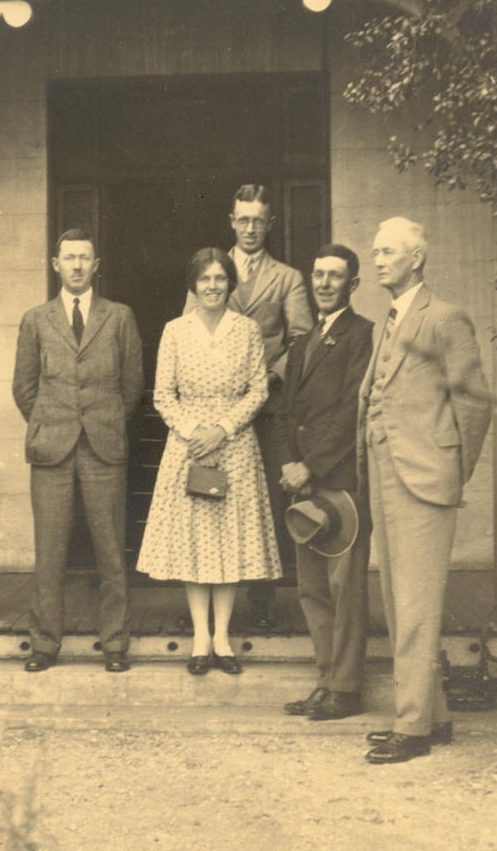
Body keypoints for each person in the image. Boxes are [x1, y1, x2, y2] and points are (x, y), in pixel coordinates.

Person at [358, 217, 491, 764]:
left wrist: (451, 472)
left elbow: (474, 403)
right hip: (386, 473)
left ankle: (411, 728)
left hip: (424, 478)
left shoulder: (445, 318)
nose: (377, 259)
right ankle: (432, 716)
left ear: (416, 258)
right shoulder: (386, 321)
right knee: (399, 604)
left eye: (387, 251)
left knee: (415, 606)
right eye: (375, 251)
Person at [138, 248, 282, 674]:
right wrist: (194, 431)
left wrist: (222, 428)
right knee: (195, 543)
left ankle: (223, 638)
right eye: (205, 279)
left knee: (228, 541)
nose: (213, 286)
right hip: (189, 449)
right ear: (193, 284)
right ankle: (201, 637)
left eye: (220, 278)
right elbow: (163, 394)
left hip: (234, 447)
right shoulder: (175, 330)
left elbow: (258, 390)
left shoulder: (247, 329)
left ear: (230, 284)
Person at [13, 228, 143, 673]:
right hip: (51, 448)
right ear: (56, 264)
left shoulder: (119, 317)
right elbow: (24, 388)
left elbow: (132, 384)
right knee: (49, 553)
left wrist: (104, 420)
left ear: (96, 265)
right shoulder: (36, 319)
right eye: (69, 258)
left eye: (84, 258)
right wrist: (52, 423)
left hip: (103, 447)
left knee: (111, 551)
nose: (76, 265)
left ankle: (115, 643)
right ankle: (44, 644)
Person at [184, 185, 312, 626]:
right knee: (207, 499)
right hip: (213, 413)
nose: (251, 228)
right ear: (232, 221)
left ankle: (260, 598)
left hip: (266, 407)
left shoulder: (288, 278)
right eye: (243, 220)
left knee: (263, 503)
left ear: (270, 223)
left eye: (258, 220)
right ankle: (207, 600)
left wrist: (268, 377)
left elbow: (301, 341)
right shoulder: (210, 271)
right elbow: (187, 330)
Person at [274, 244, 373, 720]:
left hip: (339, 482)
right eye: (318, 275)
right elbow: (285, 411)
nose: (324, 284)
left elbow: (353, 409)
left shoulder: (363, 335)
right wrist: (290, 466)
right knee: (312, 588)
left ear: (353, 284)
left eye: (335, 276)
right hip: (305, 484)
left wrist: (310, 466)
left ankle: (347, 689)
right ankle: (326, 679)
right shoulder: (303, 342)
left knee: (344, 588)